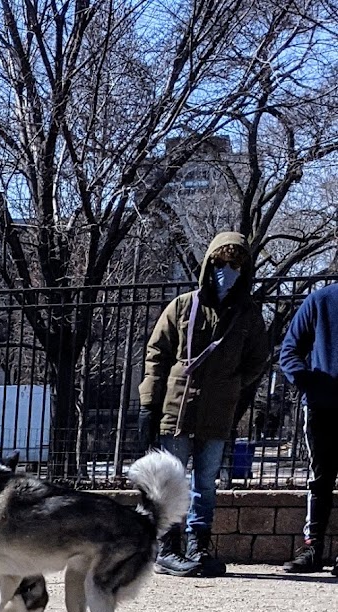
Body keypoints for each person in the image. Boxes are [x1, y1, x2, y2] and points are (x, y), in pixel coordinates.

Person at [137, 231, 269, 576]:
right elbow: (156, 354)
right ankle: (167, 546)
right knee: (172, 480)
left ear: (245, 269)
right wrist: (148, 404)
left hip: (218, 412)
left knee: (206, 483)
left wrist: (235, 385)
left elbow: (259, 358)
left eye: (235, 264)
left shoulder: (248, 315)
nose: (227, 271)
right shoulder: (182, 305)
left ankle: (198, 544)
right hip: (176, 408)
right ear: (209, 265)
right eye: (221, 263)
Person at [277, 284, 338, 574]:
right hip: (320, 406)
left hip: (319, 402)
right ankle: (313, 548)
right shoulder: (321, 300)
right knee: (319, 480)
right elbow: (290, 349)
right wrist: (305, 380)